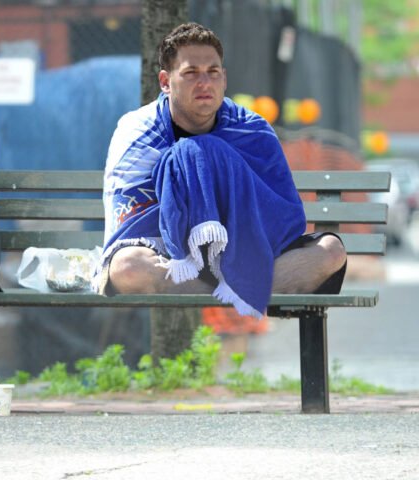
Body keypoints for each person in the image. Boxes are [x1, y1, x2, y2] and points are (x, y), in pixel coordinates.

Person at [94, 22, 346, 318]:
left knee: (331, 251)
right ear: (165, 81)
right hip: (171, 257)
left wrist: (236, 235)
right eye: (190, 73)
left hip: (245, 250)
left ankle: (235, 291)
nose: (205, 83)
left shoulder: (252, 128)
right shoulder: (138, 132)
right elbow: (129, 218)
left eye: (213, 72)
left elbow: (279, 209)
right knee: (128, 268)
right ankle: (243, 296)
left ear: (224, 78)